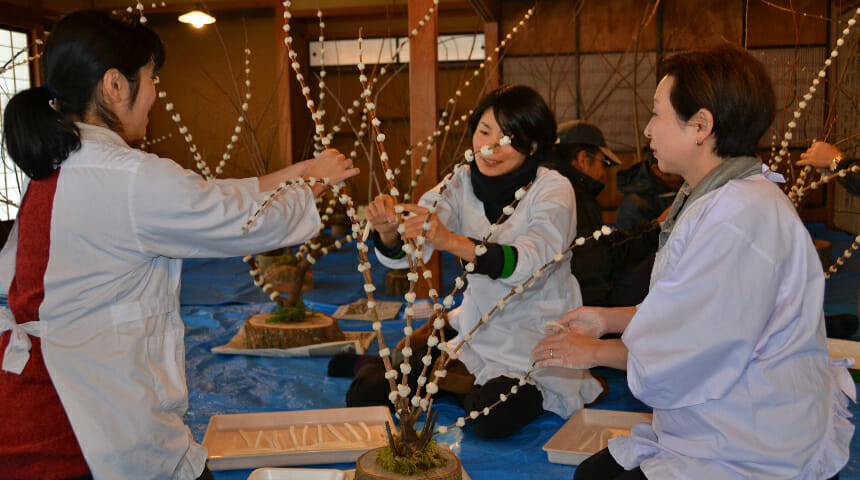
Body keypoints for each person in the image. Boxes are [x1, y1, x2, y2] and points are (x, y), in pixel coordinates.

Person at [0, 10, 358, 479]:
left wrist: (300, 173)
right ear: (114, 85)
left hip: (34, 399)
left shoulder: (58, 167)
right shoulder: (130, 178)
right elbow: (242, 223)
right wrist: (317, 186)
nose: (154, 96)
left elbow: (213, 200)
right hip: (86, 420)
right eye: (151, 80)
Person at [532, 44, 853, 479]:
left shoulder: (739, 217)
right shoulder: (722, 197)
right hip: (731, 416)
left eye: (656, 114)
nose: (647, 130)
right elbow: (686, 309)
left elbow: (696, 350)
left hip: (753, 440)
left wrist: (594, 351)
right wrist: (607, 319)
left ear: (701, 126)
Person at [344, 85, 604, 439]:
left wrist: (450, 240)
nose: (490, 147)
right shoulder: (459, 182)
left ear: (532, 145)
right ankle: (449, 377)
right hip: (477, 330)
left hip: (534, 338)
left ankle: (453, 382)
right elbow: (416, 247)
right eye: (484, 132)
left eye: (508, 138)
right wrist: (390, 232)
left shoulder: (553, 189)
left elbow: (530, 262)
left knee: (487, 417)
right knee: (365, 395)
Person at [554, 120, 660, 307]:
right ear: (583, 160)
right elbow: (592, 267)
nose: (604, 173)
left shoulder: (551, 191)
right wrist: (600, 321)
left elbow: (600, 248)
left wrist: (655, 227)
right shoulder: (575, 198)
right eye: (604, 163)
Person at [615, 149, 683, 230]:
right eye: (678, 162)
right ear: (657, 170)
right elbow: (637, 241)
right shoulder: (632, 208)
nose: (687, 166)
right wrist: (659, 225)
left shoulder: (685, 187)